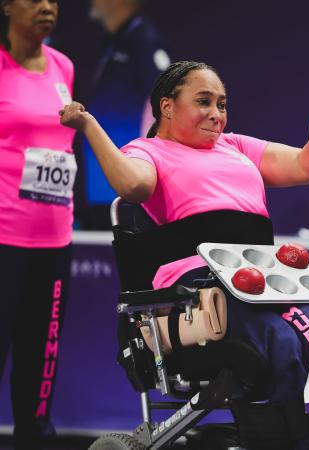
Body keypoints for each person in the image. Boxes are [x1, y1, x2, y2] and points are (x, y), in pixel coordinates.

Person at [60, 60, 309, 446]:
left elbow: (305, 164)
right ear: (167, 107)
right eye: (204, 101)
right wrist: (89, 126)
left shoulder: (235, 146)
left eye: (222, 104)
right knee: (280, 342)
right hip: (202, 287)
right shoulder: (148, 151)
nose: (217, 114)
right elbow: (133, 187)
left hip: (265, 282)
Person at [0, 0, 75, 447]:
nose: (47, 7)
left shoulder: (64, 67)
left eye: (53, 0)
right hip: (3, 239)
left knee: (39, 362)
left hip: (54, 241)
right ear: (8, 7)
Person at [80, 0, 170, 227]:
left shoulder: (143, 39)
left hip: (126, 192)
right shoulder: (115, 41)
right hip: (103, 189)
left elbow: (167, 101)